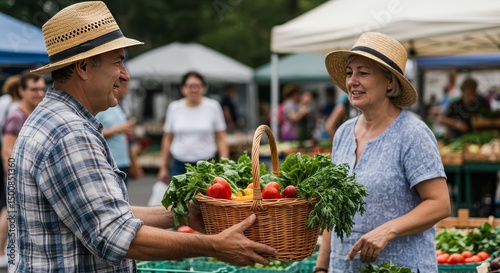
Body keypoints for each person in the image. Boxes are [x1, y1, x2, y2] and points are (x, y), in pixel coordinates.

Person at [8, 2, 276, 272]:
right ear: (84, 67)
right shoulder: (69, 133)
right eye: (118, 62)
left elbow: (106, 214)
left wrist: (181, 213)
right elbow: (115, 234)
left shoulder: (54, 119)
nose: (125, 75)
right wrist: (214, 245)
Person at [314, 32, 450, 273]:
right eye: (349, 73)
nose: (352, 81)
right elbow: (332, 211)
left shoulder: (412, 133)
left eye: (363, 73)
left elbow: (439, 204)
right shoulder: (343, 134)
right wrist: (322, 267)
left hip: (399, 267)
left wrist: (387, 230)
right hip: (343, 267)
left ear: (389, 82)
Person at [157, 71, 229, 184]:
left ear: (203, 88)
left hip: (206, 165)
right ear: (183, 88)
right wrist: (163, 167)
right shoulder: (174, 107)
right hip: (179, 165)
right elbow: (167, 138)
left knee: (205, 200)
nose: (194, 89)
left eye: (198, 86)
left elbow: (221, 138)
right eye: (190, 86)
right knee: (179, 200)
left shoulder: (213, 106)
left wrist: (225, 165)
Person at [96, 81, 142, 186]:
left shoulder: (118, 106)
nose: (127, 90)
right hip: (110, 163)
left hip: (123, 162)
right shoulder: (101, 107)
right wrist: (118, 129)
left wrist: (133, 159)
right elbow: (92, 133)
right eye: (124, 86)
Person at [0, 75, 22, 268]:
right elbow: (8, 148)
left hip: (7, 163)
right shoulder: (15, 110)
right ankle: (3, 254)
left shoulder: (4, 102)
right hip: (9, 165)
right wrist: (12, 176)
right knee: (9, 210)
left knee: (6, 208)